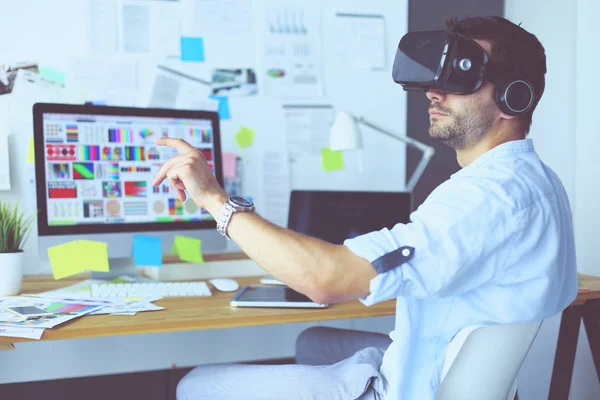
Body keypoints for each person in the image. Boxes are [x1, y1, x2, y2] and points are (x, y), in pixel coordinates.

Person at [153, 15, 577, 400]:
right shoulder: (537, 180)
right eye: (436, 77)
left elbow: (325, 281)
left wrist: (214, 199)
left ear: (514, 98)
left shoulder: (486, 197)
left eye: (460, 78)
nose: (433, 91)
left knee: (196, 385)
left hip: (411, 389)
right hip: (446, 363)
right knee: (313, 342)